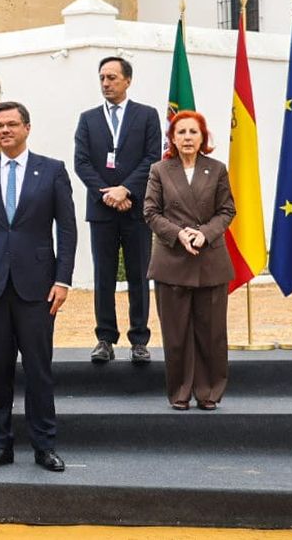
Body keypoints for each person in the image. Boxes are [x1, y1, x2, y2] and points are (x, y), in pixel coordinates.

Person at [0, 101, 77, 473]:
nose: (4, 130)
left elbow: (68, 229)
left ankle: (44, 446)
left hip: (38, 287)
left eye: (11, 124)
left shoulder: (52, 170)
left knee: (39, 370)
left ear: (27, 127)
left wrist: (63, 279)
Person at [143, 111, 236, 411]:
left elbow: (227, 211)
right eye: (180, 132)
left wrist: (204, 234)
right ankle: (180, 393)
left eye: (193, 132)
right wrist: (179, 234)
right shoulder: (160, 170)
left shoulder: (217, 169)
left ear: (203, 137)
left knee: (212, 334)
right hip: (172, 260)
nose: (186, 137)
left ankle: (208, 393)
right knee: (176, 334)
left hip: (210, 260)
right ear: (171, 138)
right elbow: (151, 212)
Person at [74, 56, 161, 364]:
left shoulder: (147, 116)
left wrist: (127, 190)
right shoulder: (88, 119)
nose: (106, 83)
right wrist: (108, 194)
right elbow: (82, 163)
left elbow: (152, 157)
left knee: (139, 274)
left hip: (136, 209)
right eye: (102, 78)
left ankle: (139, 339)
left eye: (112, 77)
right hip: (102, 211)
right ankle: (105, 338)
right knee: (104, 276)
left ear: (127, 80)